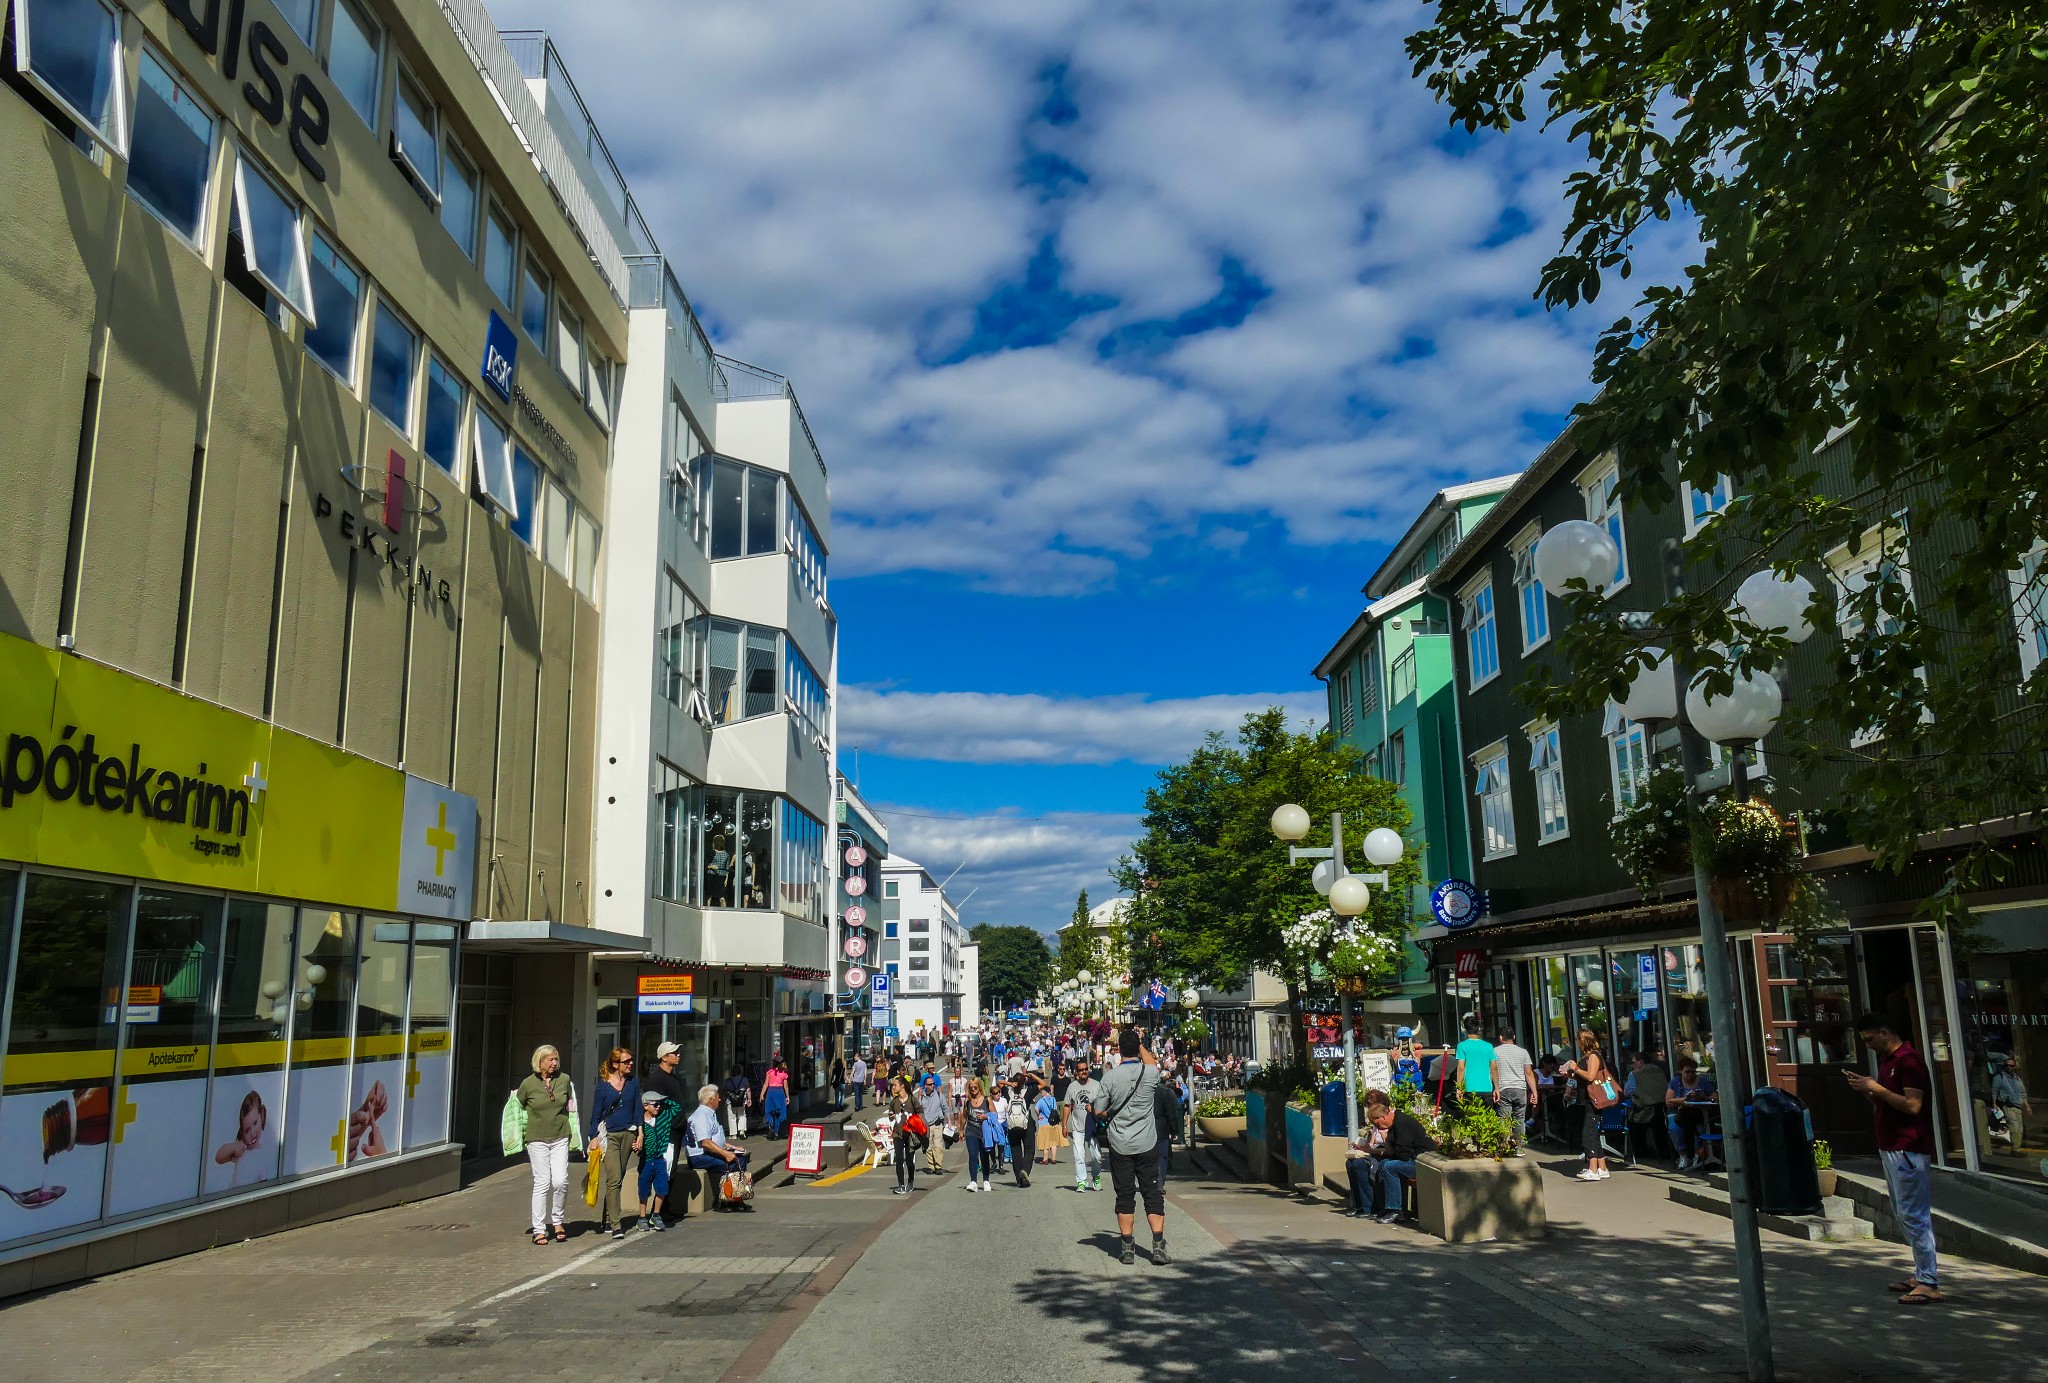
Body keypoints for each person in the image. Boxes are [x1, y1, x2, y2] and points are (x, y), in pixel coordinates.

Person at [1846, 1013, 1940, 1304]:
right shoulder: (1888, 1062)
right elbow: (1888, 1102)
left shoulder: (1909, 1061)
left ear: (1885, 1032)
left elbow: (1913, 1106)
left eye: (1870, 1039)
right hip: (1891, 1146)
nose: (1868, 1045)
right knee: (1904, 1213)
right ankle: (1922, 1273)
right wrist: (1868, 1090)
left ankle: (1929, 1282)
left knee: (1914, 1215)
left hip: (1908, 1148)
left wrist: (1877, 1088)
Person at [1093, 1028, 1166, 1265]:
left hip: (1121, 1144)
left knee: (1125, 1195)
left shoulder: (1111, 1077)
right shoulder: (1150, 1073)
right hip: (1147, 1142)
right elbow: (1152, 1062)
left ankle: (1127, 1247)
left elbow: (1098, 1110)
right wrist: (1141, 1044)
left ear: (1118, 1050)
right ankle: (1158, 1246)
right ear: (1138, 1048)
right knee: (1151, 1193)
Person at [515, 1044, 575, 1244]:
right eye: (550, 1059)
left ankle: (558, 1221)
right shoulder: (528, 1084)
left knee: (560, 1181)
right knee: (542, 1183)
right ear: (539, 1062)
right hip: (537, 1139)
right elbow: (519, 1104)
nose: (554, 1063)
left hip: (560, 1136)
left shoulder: (564, 1080)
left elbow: (570, 1106)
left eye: (556, 1059)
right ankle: (539, 1229)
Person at [586, 1047, 642, 1238]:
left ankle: (607, 1217)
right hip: (609, 1136)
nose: (630, 1064)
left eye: (631, 1060)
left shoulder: (633, 1083)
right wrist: (593, 1137)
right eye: (626, 1061)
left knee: (618, 1178)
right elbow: (595, 1115)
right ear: (615, 1064)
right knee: (615, 1178)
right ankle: (617, 1224)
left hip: (628, 1133)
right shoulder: (603, 1086)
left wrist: (639, 1133)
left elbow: (637, 1110)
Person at [1363, 1095, 1438, 1223]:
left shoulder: (1402, 1124)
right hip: (1412, 1160)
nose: (1377, 1126)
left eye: (1377, 1123)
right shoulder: (1392, 1124)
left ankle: (1396, 1210)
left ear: (1383, 1117)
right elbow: (1394, 1152)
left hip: (1423, 1162)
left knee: (1389, 1167)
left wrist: (1388, 1142)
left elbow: (1403, 1155)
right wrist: (1386, 1139)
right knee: (1384, 1164)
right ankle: (1386, 1208)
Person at [1559, 1029, 1614, 1181]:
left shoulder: (1594, 1056)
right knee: (1593, 1133)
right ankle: (1602, 1167)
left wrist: (1576, 1068)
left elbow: (1590, 1076)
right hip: (1587, 1099)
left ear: (1583, 1041)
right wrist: (1570, 1073)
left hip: (1593, 1100)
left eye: (1578, 1040)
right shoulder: (1587, 1057)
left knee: (1587, 1133)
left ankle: (1593, 1169)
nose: (1576, 1042)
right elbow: (1582, 1077)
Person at [686, 1084, 751, 1210]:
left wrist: (731, 1147)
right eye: (717, 1097)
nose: (720, 1099)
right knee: (731, 1164)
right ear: (710, 1100)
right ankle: (724, 1200)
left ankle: (736, 1198)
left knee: (741, 1159)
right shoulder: (701, 1116)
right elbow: (705, 1142)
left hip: (708, 1151)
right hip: (699, 1156)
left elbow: (714, 1138)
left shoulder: (710, 1113)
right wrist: (725, 1154)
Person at [1342, 1089, 1393, 1217]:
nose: (1368, 1108)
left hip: (1383, 1153)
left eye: (1370, 1105)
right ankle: (1357, 1205)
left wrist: (1370, 1150)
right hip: (1374, 1150)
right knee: (1350, 1163)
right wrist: (1362, 1147)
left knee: (1359, 1164)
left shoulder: (1384, 1118)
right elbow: (1372, 1142)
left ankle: (1368, 1206)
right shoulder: (1374, 1120)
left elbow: (1388, 1146)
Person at [634, 1092, 677, 1232]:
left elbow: (677, 1108)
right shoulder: (639, 1124)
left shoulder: (664, 1117)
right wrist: (636, 1147)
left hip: (660, 1159)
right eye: (655, 1104)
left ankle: (656, 1214)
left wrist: (665, 1101)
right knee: (644, 1190)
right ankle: (642, 1217)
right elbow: (635, 1143)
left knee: (662, 1188)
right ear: (645, 1106)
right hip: (646, 1160)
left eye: (660, 1104)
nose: (658, 1107)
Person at [1493, 1029, 1537, 1148]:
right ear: (1514, 1036)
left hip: (1503, 1088)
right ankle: (1519, 1147)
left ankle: (1504, 1145)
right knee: (1520, 1119)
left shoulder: (1495, 1052)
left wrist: (1495, 1087)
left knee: (1504, 1118)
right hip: (1520, 1089)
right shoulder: (1523, 1052)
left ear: (1501, 1038)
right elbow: (1528, 1073)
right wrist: (1534, 1091)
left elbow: (1493, 1070)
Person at [1627, 1050, 1673, 1159]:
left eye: (1634, 1063)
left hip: (1647, 1111)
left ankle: (1640, 1152)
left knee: (1632, 1121)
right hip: (1664, 1109)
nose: (1632, 1065)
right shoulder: (1659, 1070)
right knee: (1659, 1128)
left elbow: (1627, 1092)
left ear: (1641, 1062)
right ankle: (1664, 1152)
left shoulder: (1634, 1074)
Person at [1067, 1058, 1104, 1192]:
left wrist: (1094, 1110)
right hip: (1077, 1127)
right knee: (1079, 1156)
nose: (1083, 1072)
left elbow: (1103, 1104)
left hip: (1092, 1127)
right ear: (1076, 1072)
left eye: (1085, 1069)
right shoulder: (1072, 1087)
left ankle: (1096, 1175)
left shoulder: (1096, 1085)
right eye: (1081, 1070)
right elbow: (1067, 1105)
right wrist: (1064, 1125)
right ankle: (1081, 1181)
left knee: (1097, 1156)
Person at [1005, 1069, 1044, 1186]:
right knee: (1029, 1150)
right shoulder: (1027, 1092)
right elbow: (1043, 1084)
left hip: (1012, 1126)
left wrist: (1009, 1084)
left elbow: (998, 1083)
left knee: (1015, 1150)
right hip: (1027, 1125)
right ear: (1024, 1083)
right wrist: (1032, 1076)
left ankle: (1019, 1177)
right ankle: (1025, 1171)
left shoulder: (1008, 1093)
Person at [886, 1076, 923, 1194]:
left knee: (909, 1161)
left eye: (895, 1085)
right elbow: (890, 1113)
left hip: (910, 1134)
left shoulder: (912, 1099)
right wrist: (891, 1116)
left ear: (902, 1086)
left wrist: (915, 1121)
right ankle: (901, 1185)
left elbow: (920, 1112)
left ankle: (910, 1181)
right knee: (899, 1160)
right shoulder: (894, 1102)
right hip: (897, 1133)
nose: (893, 1087)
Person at [1452, 1017, 1496, 1107]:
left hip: (1469, 1088)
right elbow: (1494, 1067)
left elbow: (1461, 1067)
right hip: (1486, 1087)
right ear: (1478, 1028)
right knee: (1487, 1118)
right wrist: (1497, 1088)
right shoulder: (1488, 1046)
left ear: (1465, 1029)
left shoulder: (1462, 1046)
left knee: (1470, 1117)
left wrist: (1459, 1088)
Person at [962, 1077, 995, 1191]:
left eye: (975, 1087)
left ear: (979, 1087)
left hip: (984, 1131)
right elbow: (964, 1116)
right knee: (972, 1155)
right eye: (971, 1088)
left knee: (984, 1155)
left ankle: (986, 1180)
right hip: (971, 1131)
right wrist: (961, 1130)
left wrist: (986, 1116)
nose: (973, 1090)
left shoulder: (987, 1100)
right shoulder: (967, 1101)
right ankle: (973, 1182)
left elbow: (995, 1115)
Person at [1992, 1056, 2031, 1150]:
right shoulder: (1999, 1077)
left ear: (2014, 1067)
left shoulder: (2017, 1079)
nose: (2008, 1067)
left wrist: (2027, 1106)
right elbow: (1994, 1090)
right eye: (2006, 1065)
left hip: (2018, 1106)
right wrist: (1994, 1103)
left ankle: (2016, 1147)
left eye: (2011, 1065)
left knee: (2020, 1129)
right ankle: (2015, 1148)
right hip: (2008, 1106)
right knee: (2014, 1128)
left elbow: (2023, 1093)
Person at [920, 1075, 950, 1174]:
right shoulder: (921, 1098)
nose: (933, 1085)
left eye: (933, 1084)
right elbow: (919, 1112)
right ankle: (931, 1166)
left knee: (937, 1145)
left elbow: (945, 1108)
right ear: (925, 1086)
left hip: (937, 1124)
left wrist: (949, 1121)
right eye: (930, 1084)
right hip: (926, 1126)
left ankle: (938, 1166)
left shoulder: (938, 1094)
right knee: (928, 1146)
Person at [759, 1057, 791, 1140]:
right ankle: (776, 1133)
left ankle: (771, 1125)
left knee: (769, 1111)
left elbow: (766, 1084)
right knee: (778, 1114)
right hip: (780, 1093)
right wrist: (787, 1097)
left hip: (771, 1093)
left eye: (773, 1062)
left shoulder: (769, 1072)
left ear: (775, 1063)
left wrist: (762, 1094)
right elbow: (786, 1087)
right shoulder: (784, 1074)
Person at [722, 1063, 752, 1140]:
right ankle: (742, 1131)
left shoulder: (728, 1081)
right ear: (741, 1071)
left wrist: (723, 1099)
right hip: (741, 1100)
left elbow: (725, 1091)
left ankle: (733, 1134)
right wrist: (749, 1099)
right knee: (742, 1115)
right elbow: (748, 1090)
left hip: (731, 1101)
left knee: (732, 1117)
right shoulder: (744, 1079)